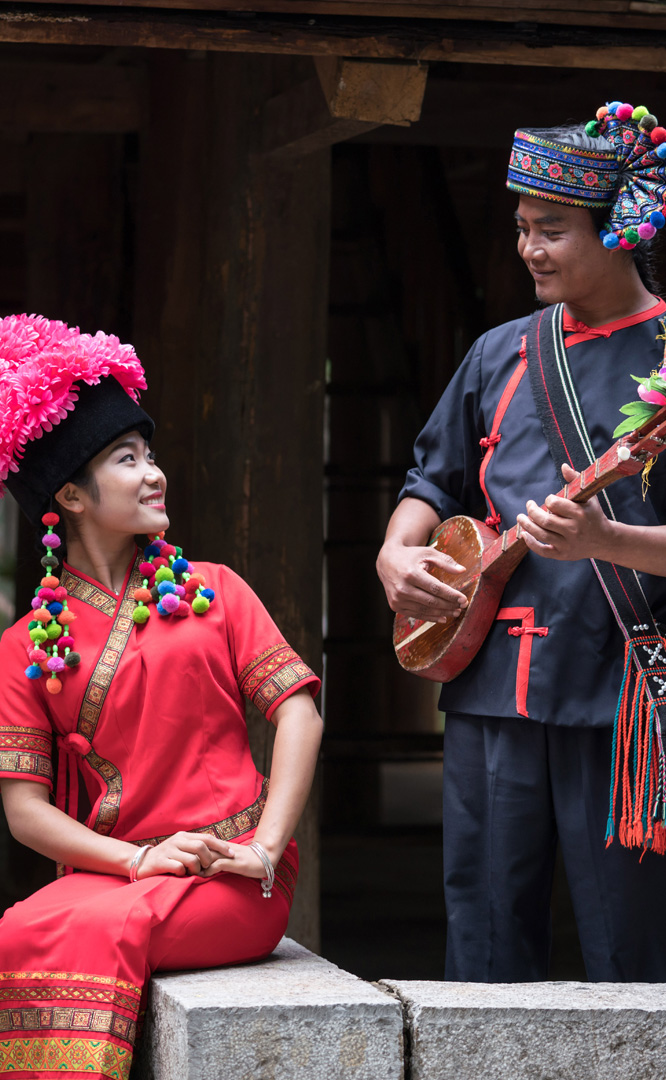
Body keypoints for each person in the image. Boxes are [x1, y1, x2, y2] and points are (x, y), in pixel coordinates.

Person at [377, 101, 666, 983]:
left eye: (551, 230)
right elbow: (432, 479)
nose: (529, 249)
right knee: (485, 936)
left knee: (630, 947)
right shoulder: (499, 352)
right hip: (490, 683)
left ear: (617, 230)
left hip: (618, 694)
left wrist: (607, 539)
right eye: (520, 228)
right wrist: (397, 552)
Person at [0, 314, 323, 1079]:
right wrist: (139, 859)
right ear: (71, 495)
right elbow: (25, 812)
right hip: (123, 872)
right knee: (15, 932)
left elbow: (298, 713)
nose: (154, 473)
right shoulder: (25, 647)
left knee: (85, 933)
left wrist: (264, 848)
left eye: (150, 455)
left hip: (232, 875)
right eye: (127, 459)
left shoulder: (215, 589)